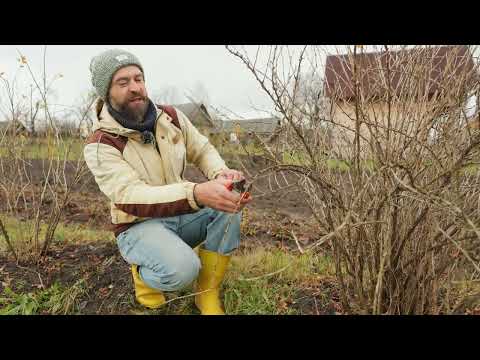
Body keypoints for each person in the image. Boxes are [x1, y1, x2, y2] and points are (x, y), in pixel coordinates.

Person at [83, 49, 252, 315]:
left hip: (179, 211)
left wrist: (222, 176)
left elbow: (202, 150)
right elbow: (130, 195)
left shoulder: (169, 117)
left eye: (138, 78)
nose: (135, 88)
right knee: (183, 270)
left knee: (228, 207)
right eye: (123, 82)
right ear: (106, 92)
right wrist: (196, 193)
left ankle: (206, 295)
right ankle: (143, 276)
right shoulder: (101, 144)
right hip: (136, 226)